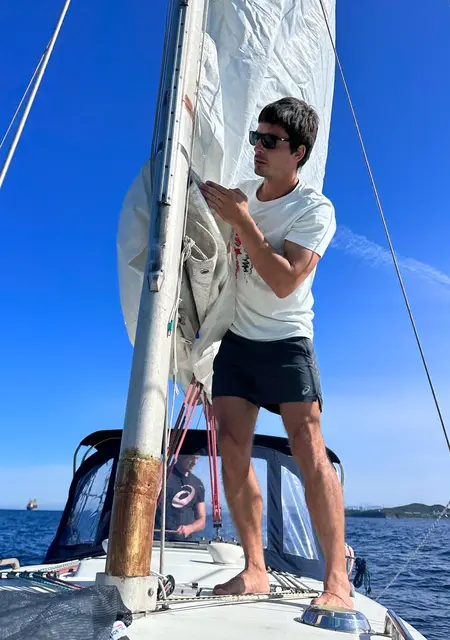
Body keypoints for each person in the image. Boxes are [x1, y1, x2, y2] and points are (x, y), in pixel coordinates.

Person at [199, 97, 352, 609]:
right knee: (231, 447)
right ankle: (255, 569)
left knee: (308, 450)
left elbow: (286, 281)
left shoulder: (315, 210)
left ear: (299, 152)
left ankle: (337, 581)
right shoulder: (241, 194)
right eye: (255, 138)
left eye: (271, 141)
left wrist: (244, 222)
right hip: (238, 341)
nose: (258, 148)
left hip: (287, 341)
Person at [155, 454, 206, 541]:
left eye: (197, 458)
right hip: (157, 541)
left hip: (183, 543)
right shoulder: (163, 476)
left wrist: (190, 528)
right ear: (180, 456)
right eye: (192, 458)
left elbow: (202, 520)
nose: (194, 462)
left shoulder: (198, 484)